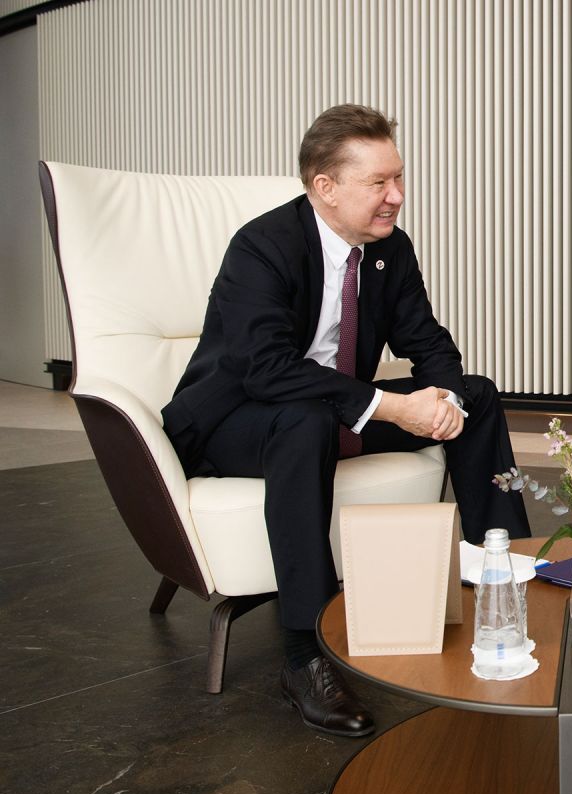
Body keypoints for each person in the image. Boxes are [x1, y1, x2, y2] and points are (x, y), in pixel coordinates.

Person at [162, 104, 530, 737]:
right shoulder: (262, 247)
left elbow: (427, 339)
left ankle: (509, 579)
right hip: (235, 422)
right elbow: (266, 370)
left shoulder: (388, 249)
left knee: (479, 396)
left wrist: (443, 399)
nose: (398, 195)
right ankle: (304, 654)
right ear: (325, 187)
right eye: (379, 182)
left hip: (331, 406)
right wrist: (392, 407)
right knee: (304, 420)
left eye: (399, 177)